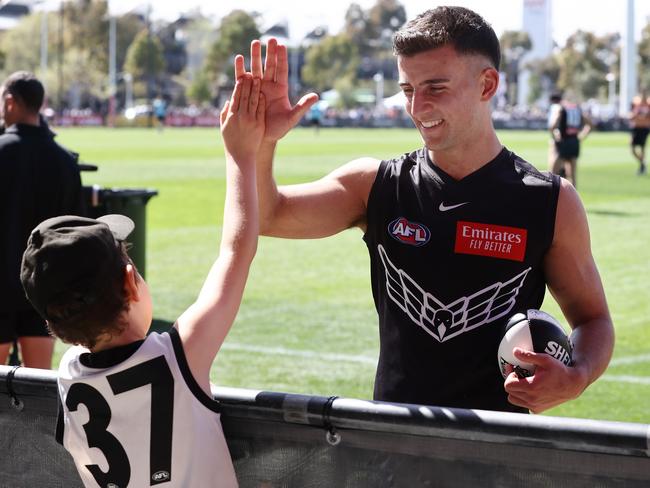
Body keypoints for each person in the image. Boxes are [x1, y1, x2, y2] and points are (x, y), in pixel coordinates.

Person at [241, 6, 614, 414]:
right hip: (392, 449)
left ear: (487, 85)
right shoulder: (376, 185)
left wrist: (576, 376)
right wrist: (261, 144)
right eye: (408, 90)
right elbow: (268, 215)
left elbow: (593, 320)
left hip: (498, 455)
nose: (417, 108)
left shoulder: (550, 200)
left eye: (435, 87)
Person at [19, 71, 265, 487]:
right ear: (131, 282)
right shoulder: (179, 356)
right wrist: (241, 156)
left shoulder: (69, 374)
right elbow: (235, 252)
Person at [0, 71, 82, 369]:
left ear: (10, 102)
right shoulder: (65, 162)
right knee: (37, 391)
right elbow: (75, 232)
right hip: (42, 288)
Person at [549, 95, 592, 188]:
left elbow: (552, 126)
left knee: (553, 174)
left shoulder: (562, 109)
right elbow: (589, 124)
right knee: (572, 175)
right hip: (574, 142)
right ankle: (573, 199)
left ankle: (551, 198)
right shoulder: (577, 110)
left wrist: (556, 137)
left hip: (564, 142)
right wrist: (581, 137)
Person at [627, 95, 650, 175]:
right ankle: (642, 163)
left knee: (642, 148)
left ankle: (642, 166)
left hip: (644, 128)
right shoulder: (636, 101)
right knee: (632, 148)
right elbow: (631, 113)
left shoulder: (648, 103)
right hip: (636, 127)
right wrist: (633, 116)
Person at [547, 92, 563, 176]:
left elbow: (553, 124)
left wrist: (555, 133)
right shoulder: (558, 107)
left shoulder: (554, 107)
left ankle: (552, 175)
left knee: (554, 155)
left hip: (556, 134)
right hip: (558, 134)